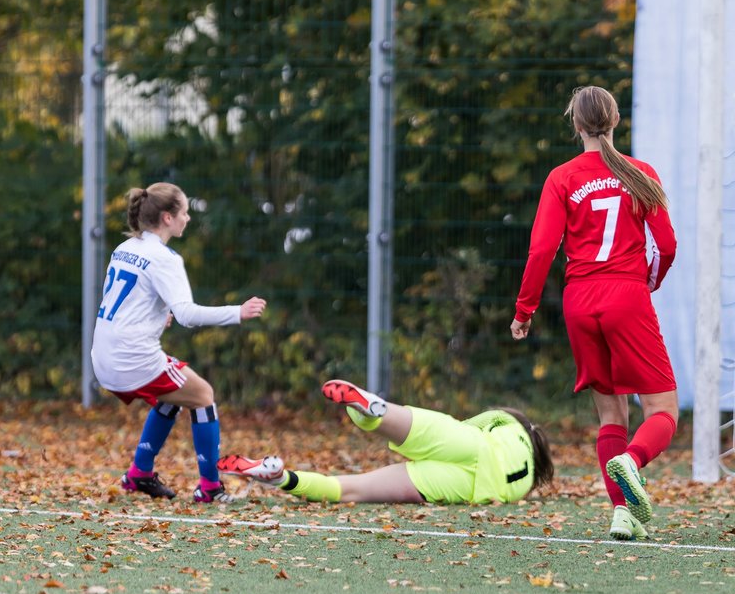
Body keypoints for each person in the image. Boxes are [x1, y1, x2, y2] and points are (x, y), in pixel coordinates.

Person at [510, 85, 679, 542]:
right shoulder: (640, 173)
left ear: (576, 125)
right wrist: (650, 281)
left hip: (580, 302)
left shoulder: (562, 177)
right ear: (615, 120)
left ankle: (623, 514)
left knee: (611, 416)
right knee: (663, 409)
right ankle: (635, 462)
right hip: (626, 296)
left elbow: (542, 248)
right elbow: (666, 247)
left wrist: (524, 310)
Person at [90, 182, 267, 503]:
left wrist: (159, 316)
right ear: (168, 218)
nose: (188, 218)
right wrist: (237, 312)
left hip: (103, 356)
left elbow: (129, 301)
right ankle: (210, 487)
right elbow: (187, 315)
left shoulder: (125, 248)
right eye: (184, 212)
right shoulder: (164, 258)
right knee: (202, 395)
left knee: (173, 395)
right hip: (132, 359)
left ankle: (139, 474)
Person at [218, 379, 553, 504]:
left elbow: (467, 426)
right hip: (472, 487)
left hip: (473, 444)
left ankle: (374, 411)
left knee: (410, 425)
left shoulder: (509, 423)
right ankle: (280, 477)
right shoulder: (523, 485)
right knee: (353, 489)